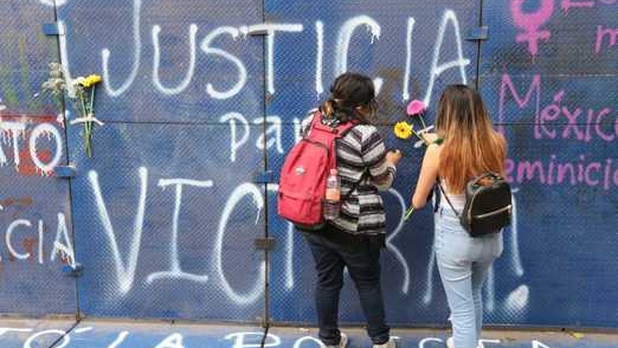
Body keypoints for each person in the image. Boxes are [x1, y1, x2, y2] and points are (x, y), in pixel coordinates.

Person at [300, 72, 400, 348]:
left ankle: (330, 340)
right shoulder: (366, 134)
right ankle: (380, 342)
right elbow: (383, 182)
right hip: (354, 224)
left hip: (316, 218)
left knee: (327, 280)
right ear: (361, 106)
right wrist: (391, 162)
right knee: (367, 282)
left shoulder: (312, 119)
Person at [410, 85, 506, 348]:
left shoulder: (438, 150)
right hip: (491, 233)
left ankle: (466, 343)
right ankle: (471, 343)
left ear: (446, 113)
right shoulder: (497, 141)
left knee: (461, 312)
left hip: (456, 237)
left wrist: (435, 148)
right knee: (473, 296)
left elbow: (418, 202)